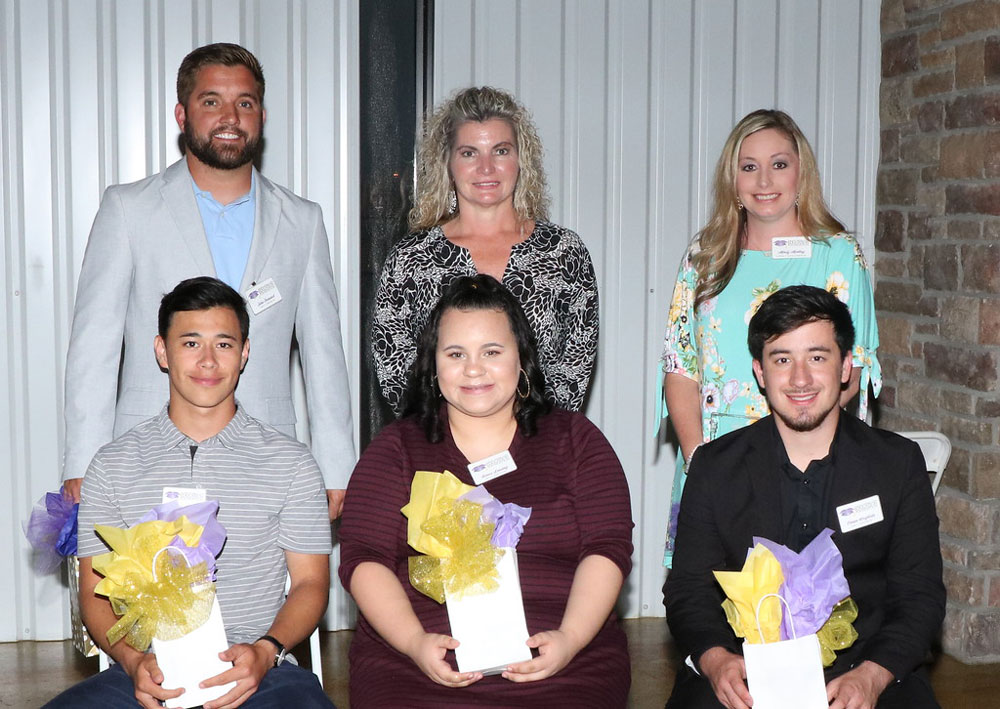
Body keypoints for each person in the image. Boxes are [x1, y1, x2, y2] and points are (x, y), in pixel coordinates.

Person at [62, 42, 354, 520]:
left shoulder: (302, 220)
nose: (230, 117)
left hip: (268, 462)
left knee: (270, 595)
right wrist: (83, 460)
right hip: (146, 458)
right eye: (211, 101)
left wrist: (336, 464)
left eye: (245, 103)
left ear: (261, 114)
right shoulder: (128, 209)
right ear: (183, 114)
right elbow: (94, 346)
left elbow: (324, 354)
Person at [340, 275, 632, 707]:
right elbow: (363, 559)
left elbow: (607, 548)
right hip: (418, 662)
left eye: (491, 352)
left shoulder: (577, 440)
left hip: (560, 658)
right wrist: (416, 643)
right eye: (455, 353)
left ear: (521, 359)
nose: (473, 368)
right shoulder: (395, 448)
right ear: (433, 364)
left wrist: (569, 639)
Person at [46, 277, 333, 708]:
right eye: (191, 343)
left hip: (256, 671)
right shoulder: (111, 465)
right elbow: (93, 592)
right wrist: (131, 660)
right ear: (162, 351)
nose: (208, 361)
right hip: (146, 671)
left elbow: (311, 583)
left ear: (245, 352)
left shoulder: (290, 463)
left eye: (223, 344)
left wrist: (266, 650)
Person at [664, 285, 945, 709]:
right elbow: (689, 591)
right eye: (782, 360)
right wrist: (717, 660)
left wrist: (872, 676)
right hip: (744, 669)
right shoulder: (714, 467)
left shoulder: (897, 465)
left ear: (846, 366)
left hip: (865, 667)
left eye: (817, 357)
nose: (800, 379)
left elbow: (919, 597)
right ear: (760, 372)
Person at [658, 109, 881, 566]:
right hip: (715, 457)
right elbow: (681, 368)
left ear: (802, 173)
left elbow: (851, 372)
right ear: (732, 180)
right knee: (707, 615)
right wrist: (700, 463)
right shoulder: (704, 257)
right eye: (749, 166)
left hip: (807, 461)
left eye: (779, 163)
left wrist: (792, 460)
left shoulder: (838, 255)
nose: (764, 179)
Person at [372, 86, 599, 415]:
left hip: (539, 452)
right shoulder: (411, 260)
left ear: (521, 160)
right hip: (439, 453)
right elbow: (396, 374)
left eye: (501, 151)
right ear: (447, 163)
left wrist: (534, 447)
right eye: (469, 153)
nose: (486, 167)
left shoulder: (564, 254)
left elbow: (573, 373)